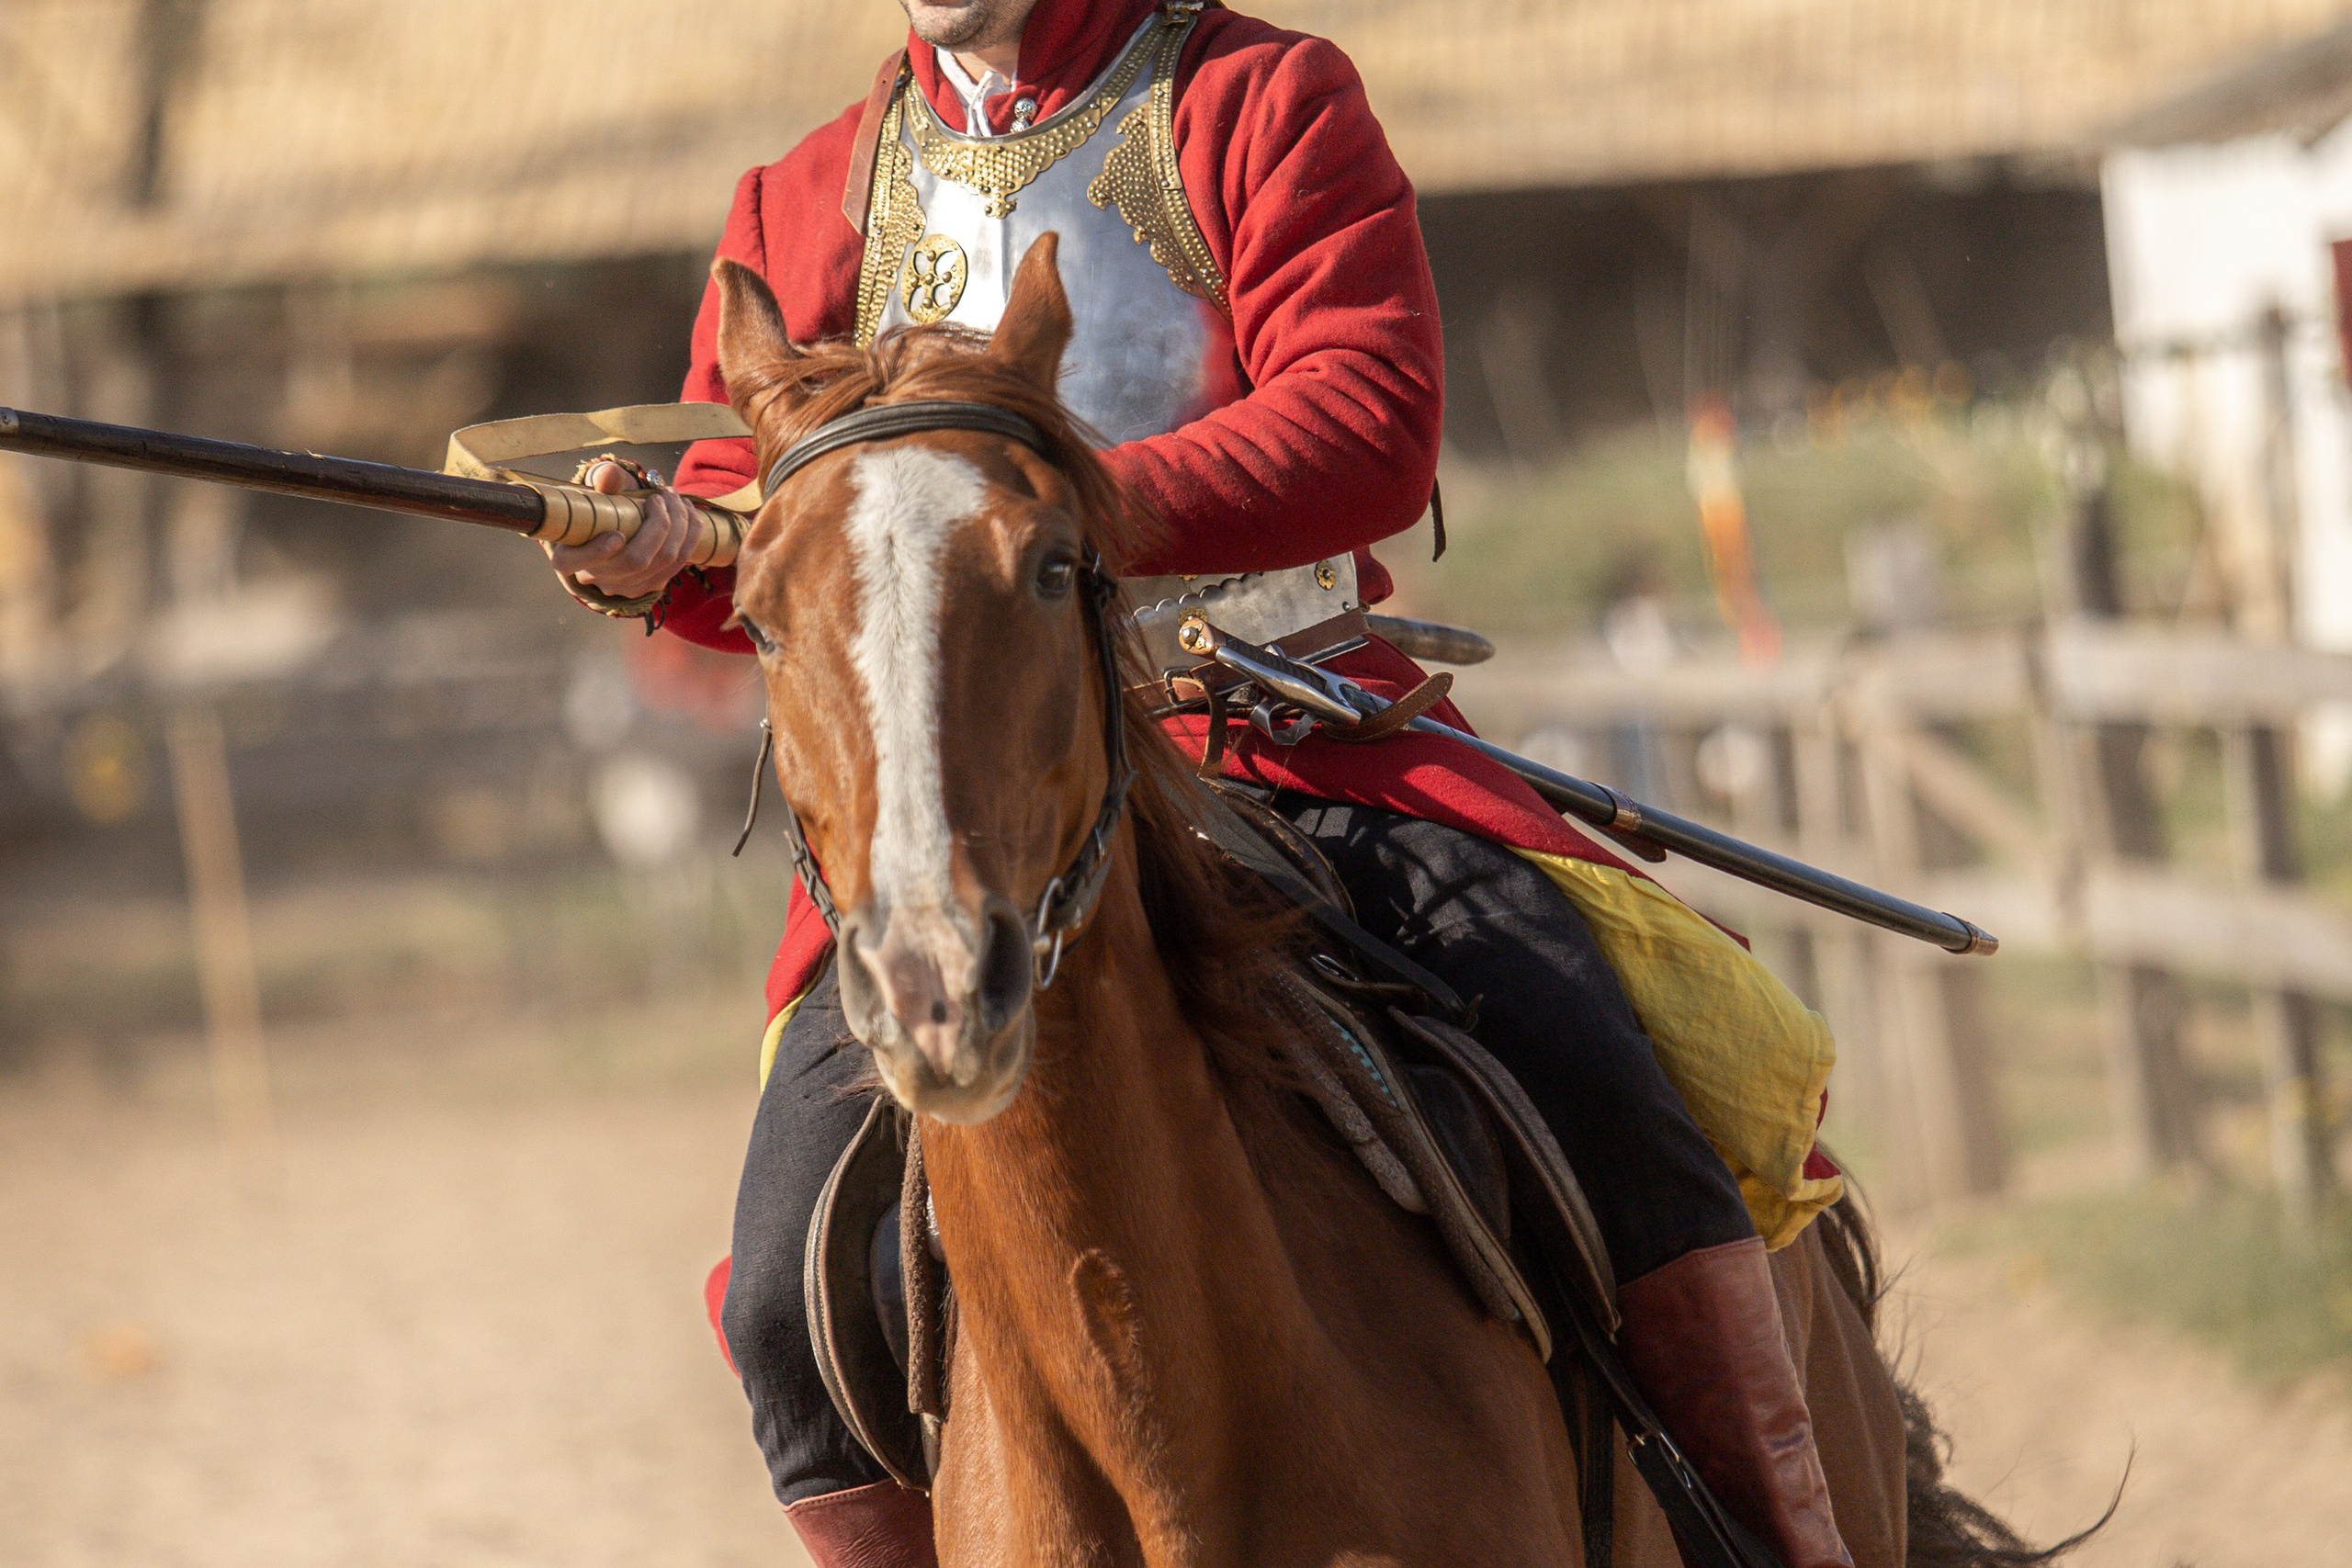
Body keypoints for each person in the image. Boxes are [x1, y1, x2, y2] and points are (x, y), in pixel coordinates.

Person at [547, 3, 1853, 1565]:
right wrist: (652, 555)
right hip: (976, 817)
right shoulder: (804, 196)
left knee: (1596, 1064)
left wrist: (1042, 505)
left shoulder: (1257, 101)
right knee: (777, 1290)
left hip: (1282, 746)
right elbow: (754, 540)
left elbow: (1371, 414)